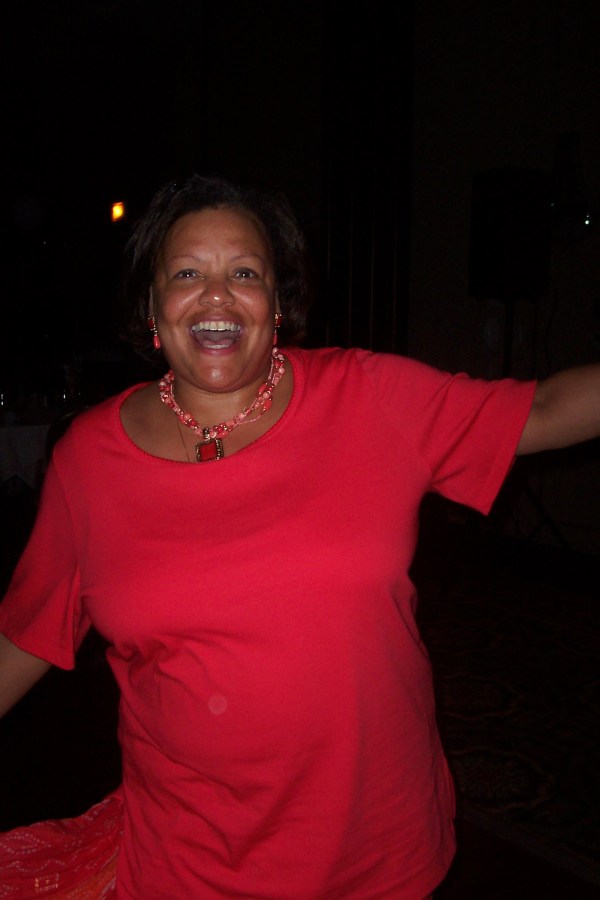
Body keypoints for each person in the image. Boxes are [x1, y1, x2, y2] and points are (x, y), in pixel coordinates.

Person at [0, 172, 598, 900]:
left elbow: (546, 410)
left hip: (379, 853)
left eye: (244, 273)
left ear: (277, 303)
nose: (216, 296)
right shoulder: (89, 461)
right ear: (151, 307)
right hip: (190, 867)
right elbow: (29, 633)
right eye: (186, 274)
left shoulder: (371, 397)